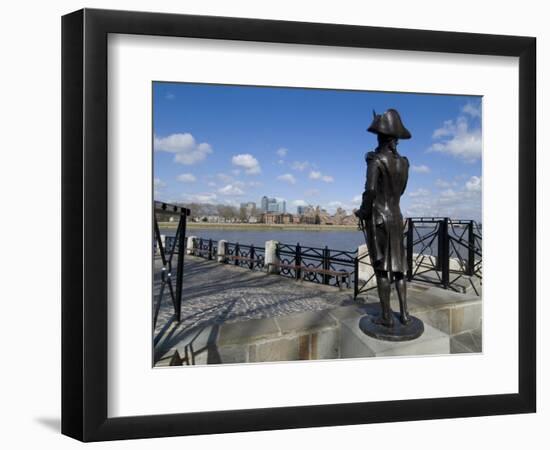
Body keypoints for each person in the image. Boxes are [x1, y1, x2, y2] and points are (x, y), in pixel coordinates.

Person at [355, 109, 411, 327]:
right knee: (399, 268)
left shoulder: (376, 160)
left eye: (378, 135)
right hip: (397, 218)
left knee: (382, 269)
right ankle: (404, 314)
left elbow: (369, 191)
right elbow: (402, 190)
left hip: (379, 219)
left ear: (383, 138)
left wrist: (362, 212)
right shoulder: (404, 163)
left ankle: (387, 316)